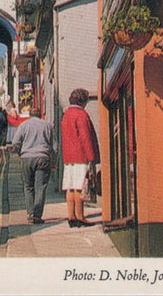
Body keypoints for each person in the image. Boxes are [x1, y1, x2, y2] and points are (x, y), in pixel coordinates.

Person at [61, 88, 101, 228]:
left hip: (68, 157)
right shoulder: (81, 115)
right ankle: (80, 217)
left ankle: (71, 217)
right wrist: (91, 156)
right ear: (83, 101)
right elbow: (85, 137)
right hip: (80, 156)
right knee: (79, 187)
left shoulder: (66, 115)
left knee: (70, 188)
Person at [9, 107, 54, 224]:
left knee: (28, 186)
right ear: (40, 115)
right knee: (41, 187)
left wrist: (21, 152)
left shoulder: (24, 125)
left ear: (29, 115)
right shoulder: (47, 126)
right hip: (43, 157)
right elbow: (53, 145)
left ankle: (30, 213)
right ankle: (37, 215)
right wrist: (53, 159)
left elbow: (15, 142)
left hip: (27, 158)